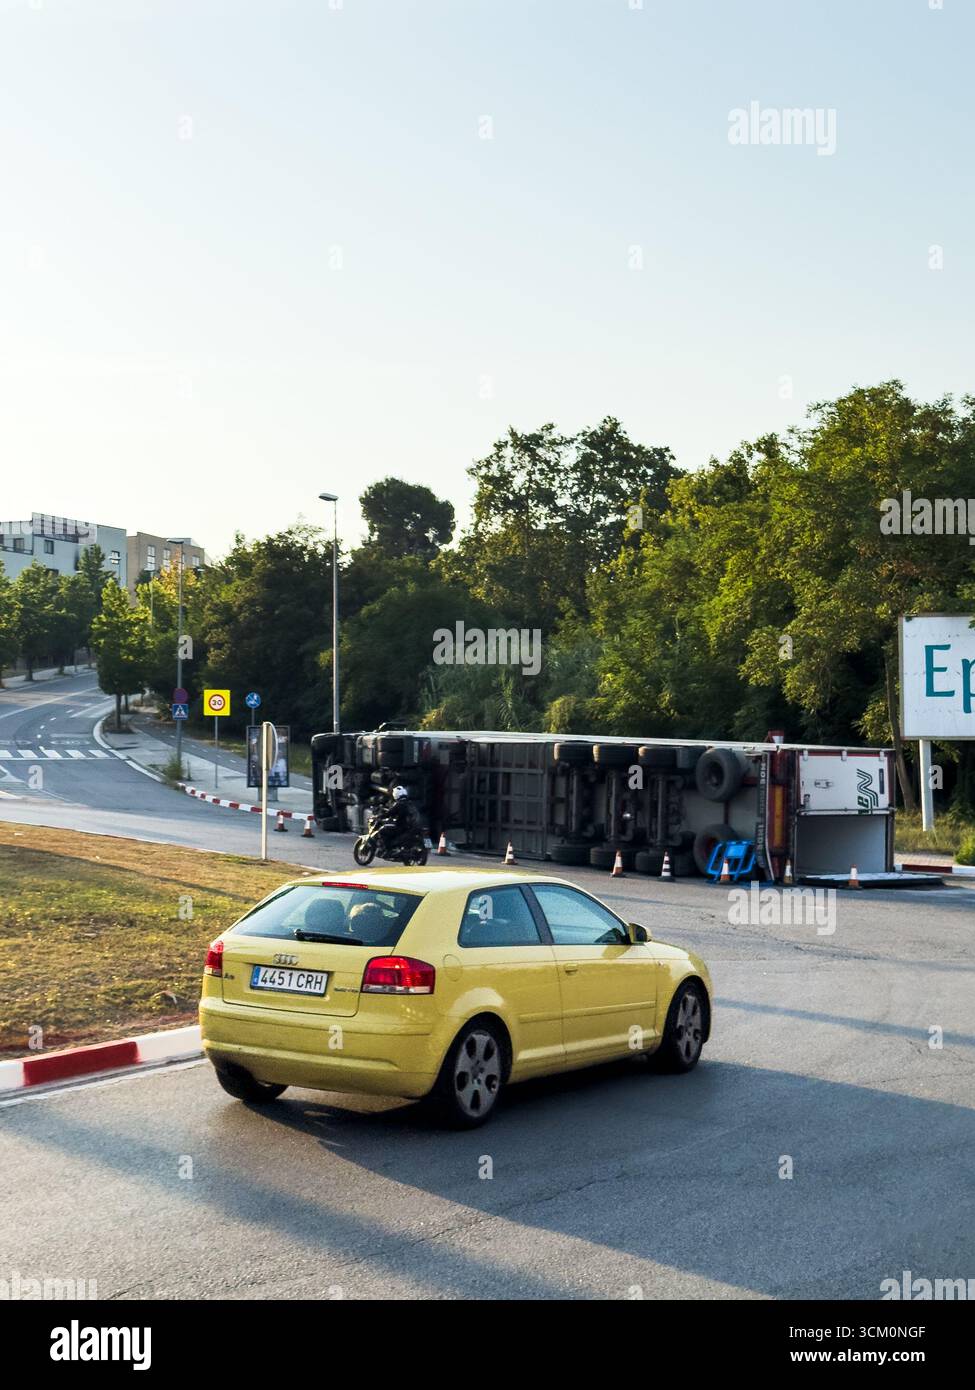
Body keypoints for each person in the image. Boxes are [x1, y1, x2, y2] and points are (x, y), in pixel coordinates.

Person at [376, 784, 420, 858]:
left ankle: (388, 850)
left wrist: (379, 816)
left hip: (402, 827)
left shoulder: (399, 804)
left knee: (382, 831)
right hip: (411, 827)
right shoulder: (410, 803)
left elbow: (389, 813)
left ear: (396, 795)